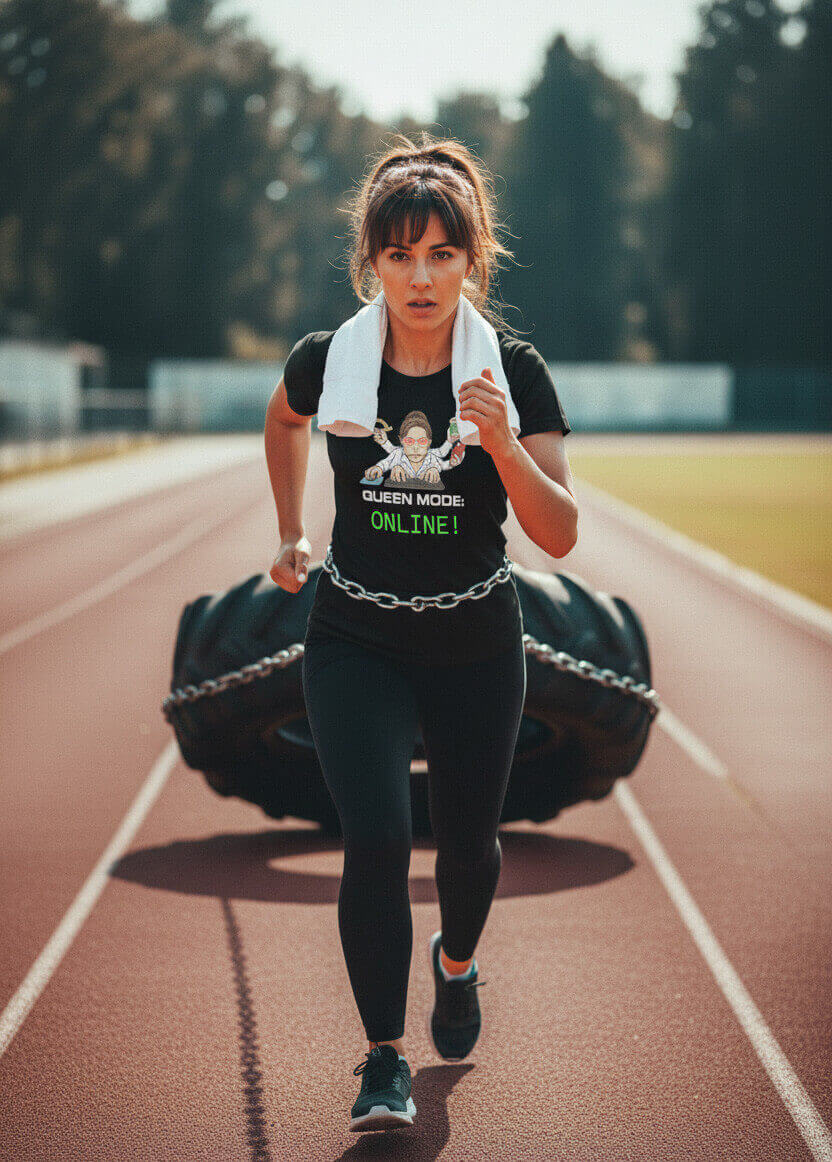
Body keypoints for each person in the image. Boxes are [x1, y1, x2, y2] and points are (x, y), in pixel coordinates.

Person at [264, 131, 577, 1133]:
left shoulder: (512, 371)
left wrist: (497, 440)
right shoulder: (330, 360)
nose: (420, 276)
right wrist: (288, 531)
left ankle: (456, 960)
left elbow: (559, 532)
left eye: (441, 253)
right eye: (398, 254)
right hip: (354, 635)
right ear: (372, 263)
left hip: (476, 636)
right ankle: (384, 1058)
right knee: (377, 837)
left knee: (470, 848)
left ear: (472, 259)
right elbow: (280, 421)